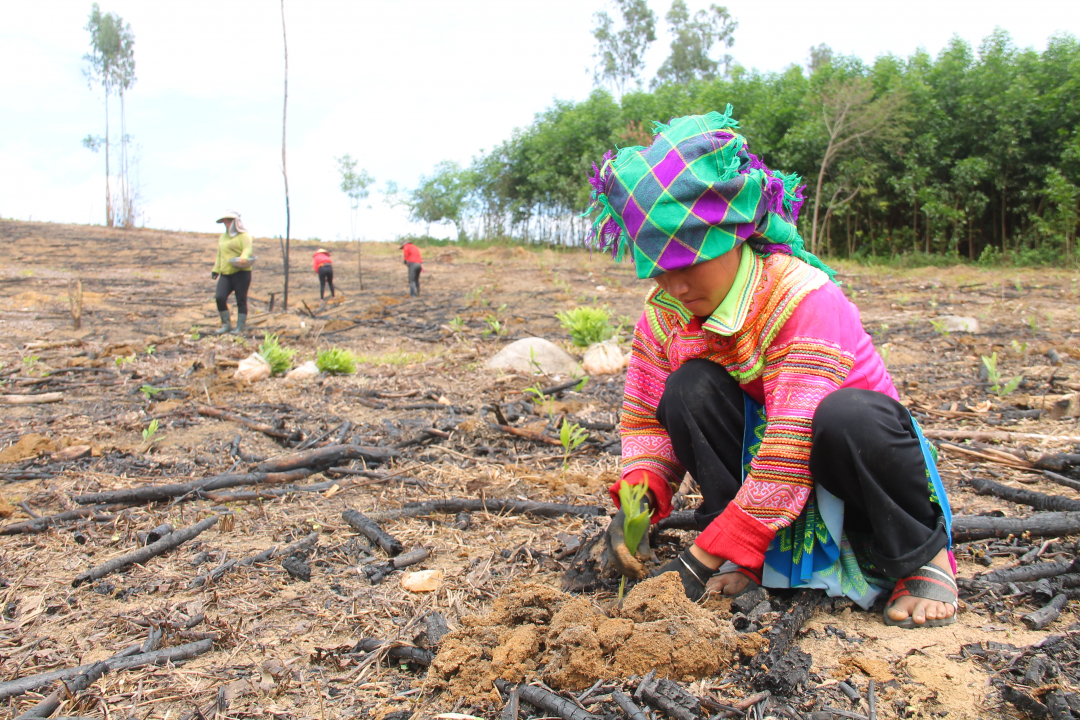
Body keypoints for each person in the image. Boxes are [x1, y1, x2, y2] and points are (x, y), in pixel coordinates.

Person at [593, 108, 956, 629]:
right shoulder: (664, 316)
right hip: (771, 477)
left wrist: (702, 557)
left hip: (854, 467)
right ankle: (754, 557)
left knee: (848, 414)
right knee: (688, 387)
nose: (675, 287)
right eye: (658, 271)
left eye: (689, 264)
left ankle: (923, 556)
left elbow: (792, 444)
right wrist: (641, 496)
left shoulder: (802, 296)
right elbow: (646, 420)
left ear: (733, 236)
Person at [210, 211, 253, 335]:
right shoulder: (223, 237)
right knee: (220, 297)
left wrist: (244, 257)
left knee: (241, 299)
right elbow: (220, 254)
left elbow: (247, 248)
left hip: (241, 272)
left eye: (228, 221)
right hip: (226, 273)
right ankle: (226, 325)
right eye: (225, 221)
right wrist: (216, 269)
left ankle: (240, 327)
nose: (226, 223)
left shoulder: (244, 235)